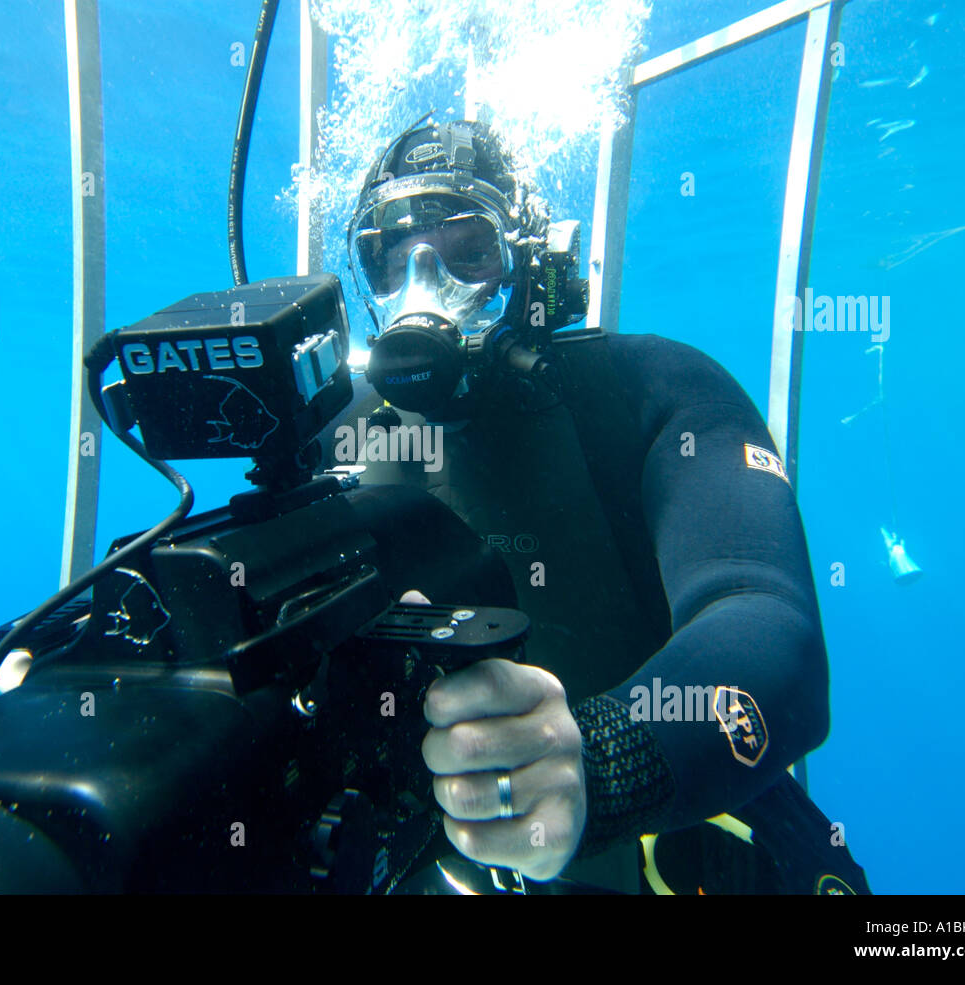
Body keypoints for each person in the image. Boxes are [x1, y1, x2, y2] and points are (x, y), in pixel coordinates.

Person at [320, 118, 871, 894]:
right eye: (393, 262)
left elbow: (767, 625)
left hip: (680, 857)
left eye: (468, 254)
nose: (424, 295)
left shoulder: (651, 392)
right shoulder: (340, 437)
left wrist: (601, 759)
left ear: (532, 267)